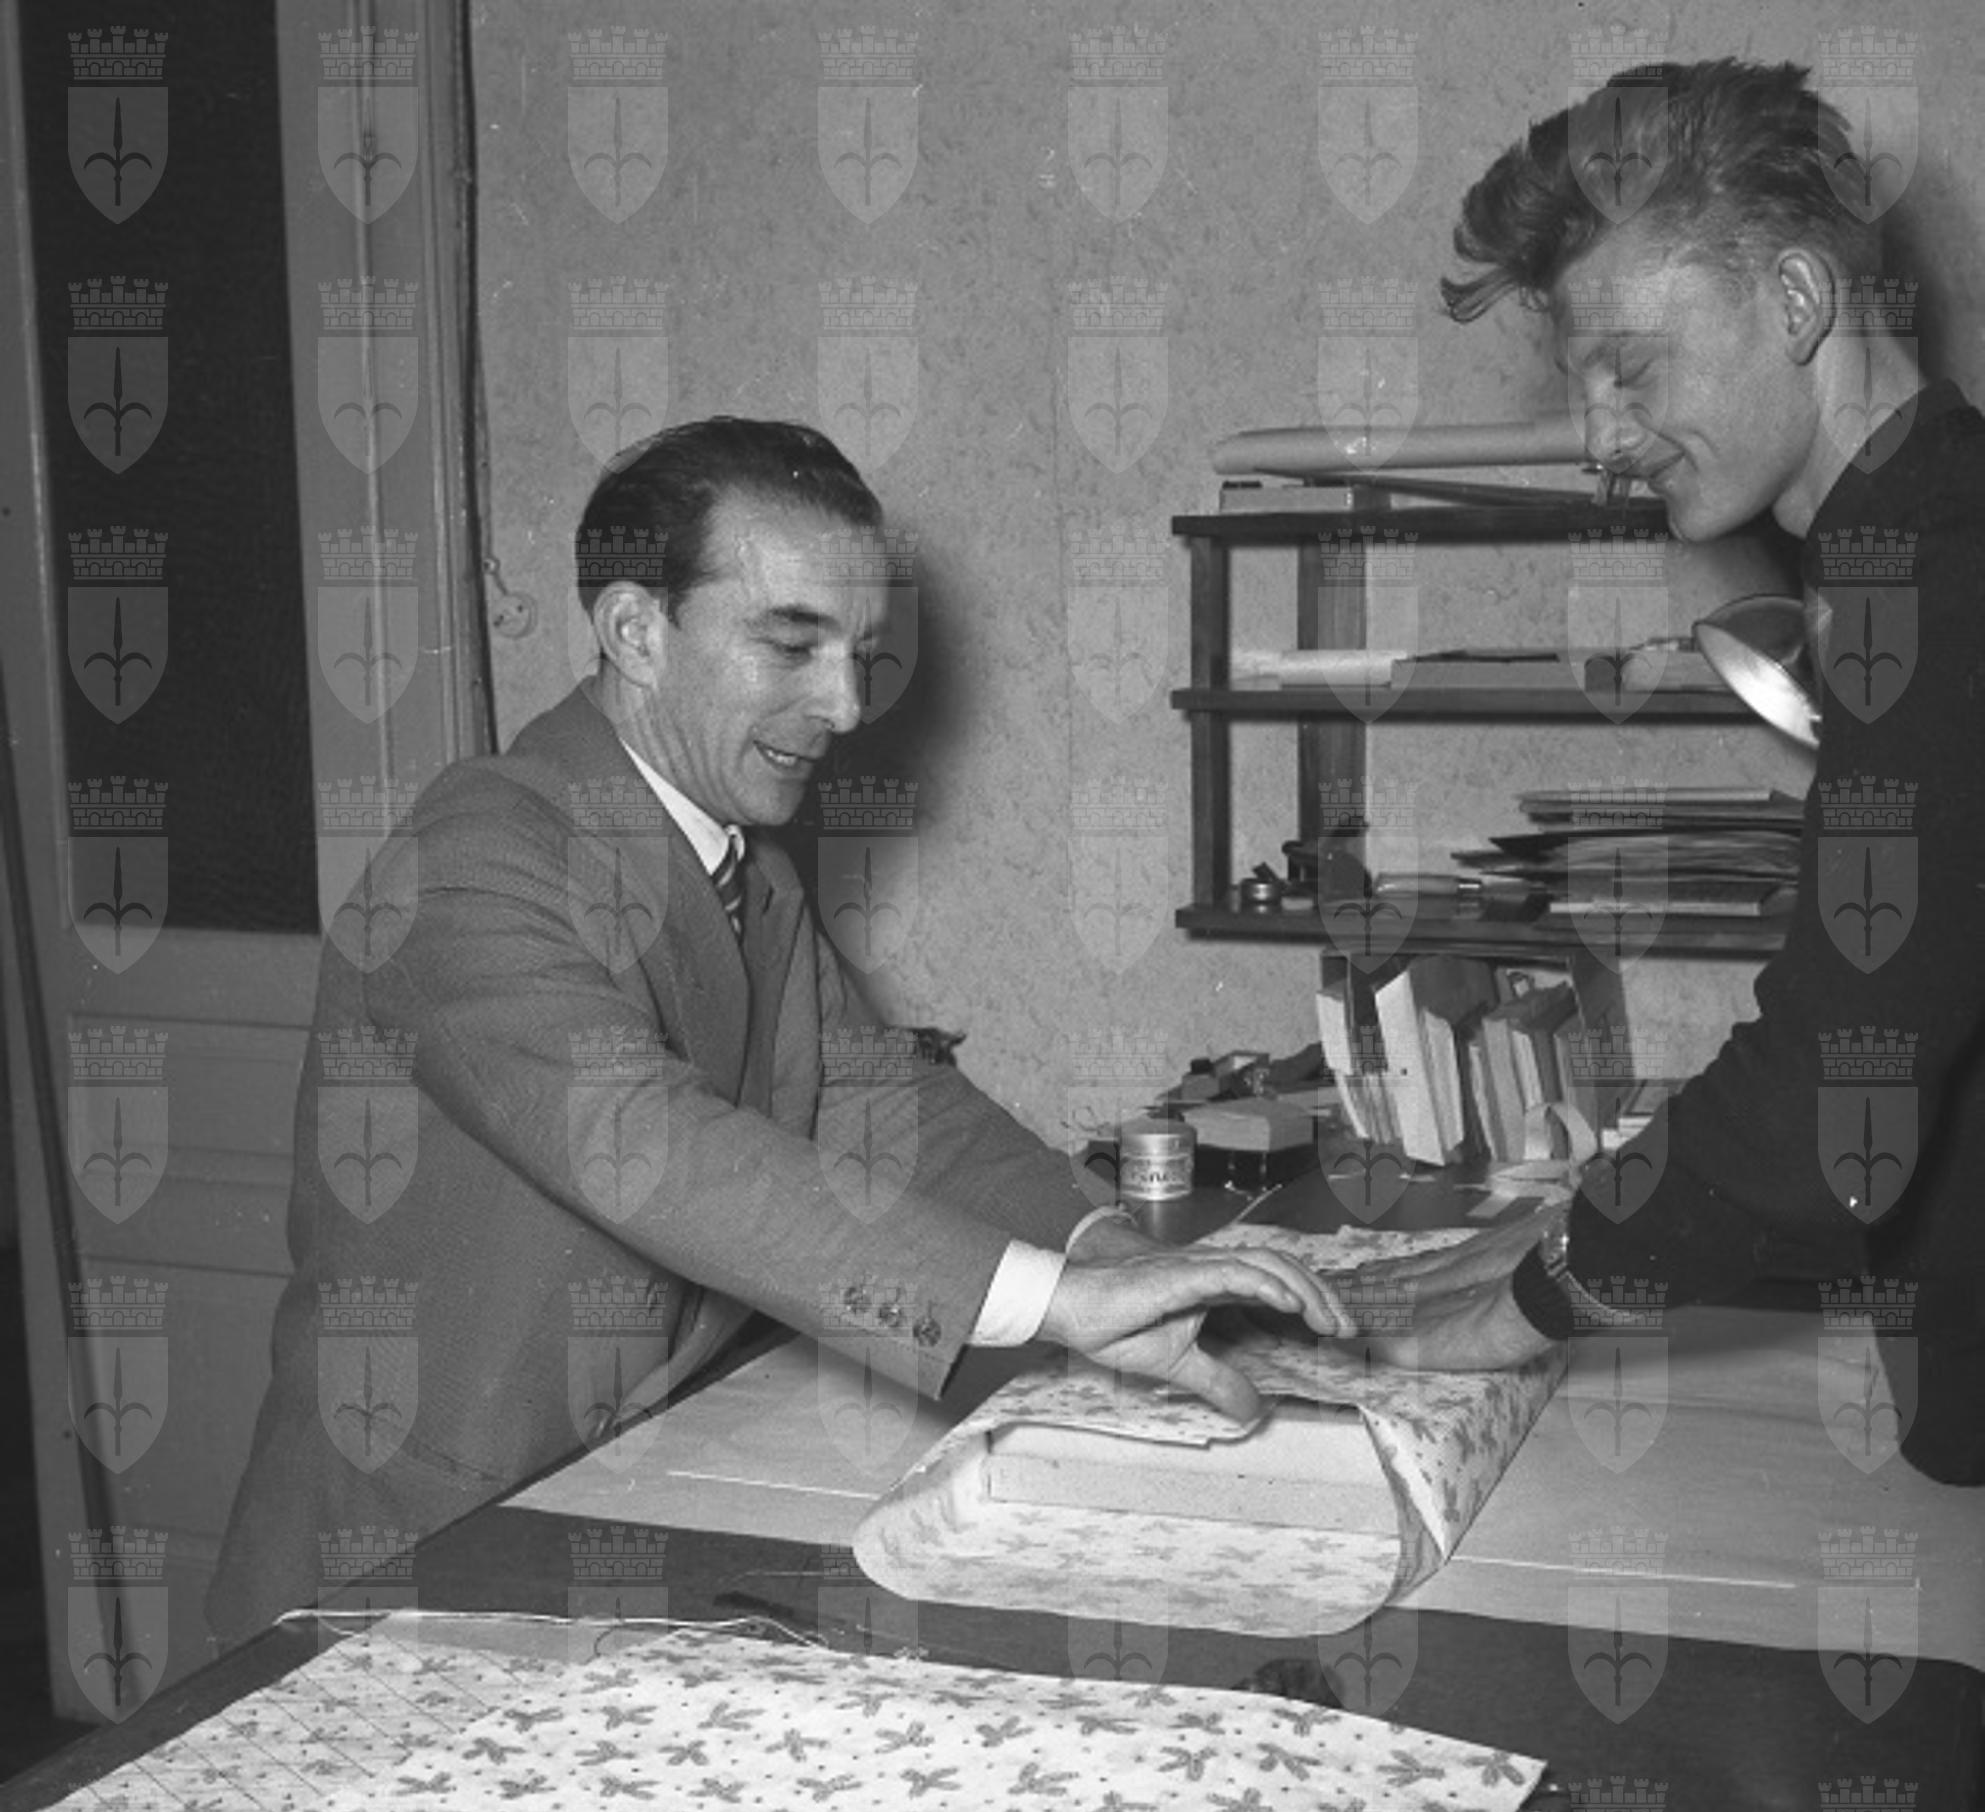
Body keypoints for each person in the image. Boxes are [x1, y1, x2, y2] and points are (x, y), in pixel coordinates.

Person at [209, 418, 1343, 1645]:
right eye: (792, 644)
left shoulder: (744, 870)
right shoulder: (474, 851)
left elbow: (884, 1104)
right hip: (406, 1554)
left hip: (603, 1508)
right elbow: (652, 1143)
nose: (845, 703)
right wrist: (1053, 1299)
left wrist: (1100, 1241)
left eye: (859, 653)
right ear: (635, 630)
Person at [1351, 59, 1985, 1486]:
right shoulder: (1900, 544)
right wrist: (1597, 1197)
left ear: (1798, 301)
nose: (1596, 441)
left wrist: (1521, 1303)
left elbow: (1839, 1093)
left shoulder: (1938, 574)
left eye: (1630, 372)